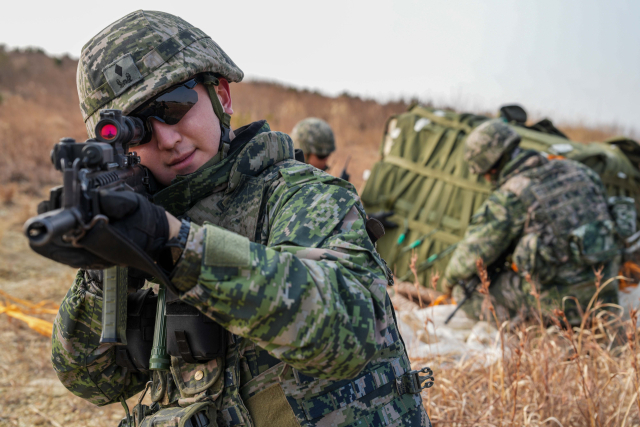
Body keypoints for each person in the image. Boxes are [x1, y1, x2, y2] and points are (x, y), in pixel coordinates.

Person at [45, 10, 431, 427]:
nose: (168, 139)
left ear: (221, 96)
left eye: (174, 107)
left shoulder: (301, 195)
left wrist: (175, 245)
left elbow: (350, 333)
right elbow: (94, 381)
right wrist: (102, 273)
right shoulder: (149, 214)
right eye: (139, 129)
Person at [443, 119, 621, 325]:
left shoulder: (511, 195)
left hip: (562, 305)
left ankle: (527, 327)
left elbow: (470, 257)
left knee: (464, 291)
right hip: (606, 294)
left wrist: (447, 283)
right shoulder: (580, 170)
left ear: (490, 169)